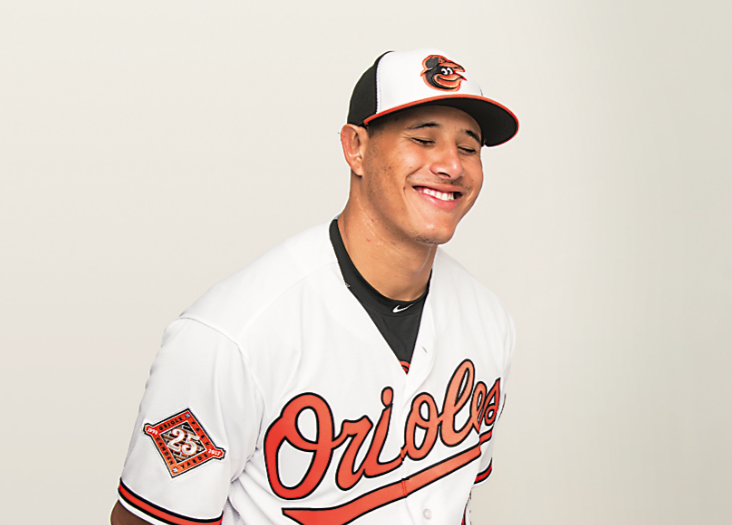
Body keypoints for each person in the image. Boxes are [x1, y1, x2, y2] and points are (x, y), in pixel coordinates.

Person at [111, 47, 519, 525]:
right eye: (424, 139)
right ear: (356, 147)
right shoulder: (229, 337)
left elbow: (451, 494)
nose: (452, 165)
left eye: (468, 147)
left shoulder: (490, 322)